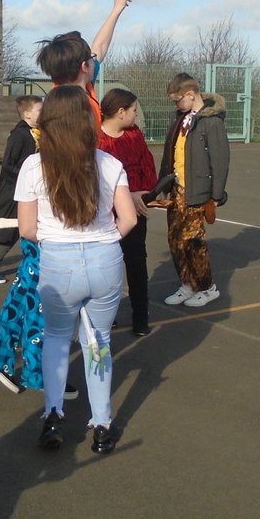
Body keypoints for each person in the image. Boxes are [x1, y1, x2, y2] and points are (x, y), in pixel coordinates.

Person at [15, 85, 137, 453]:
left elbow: (26, 229)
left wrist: (56, 238)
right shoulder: (109, 163)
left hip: (58, 262)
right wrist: (103, 240)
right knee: (98, 340)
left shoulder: (34, 165)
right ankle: (102, 424)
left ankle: (53, 415)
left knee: (55, 338)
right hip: (106, 261)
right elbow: (128, 219)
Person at [159, 74, 230, 308]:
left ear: (190, 95)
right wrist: (162, 186)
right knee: (175, 239)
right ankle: (187, 283)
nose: (175, 105)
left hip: (198, 191)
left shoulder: (212, 122)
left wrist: (216, 195)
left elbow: (220, 161)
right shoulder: (181, 119)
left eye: (177, 100)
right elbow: (169, 154)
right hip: (177, 189)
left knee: (193, 241)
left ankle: (207, 287)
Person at [99, 87, 158, 336]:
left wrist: (147, 193)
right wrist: (125, 197)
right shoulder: (96, 140)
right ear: (120, 112)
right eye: (134, 110)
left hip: (135, 213)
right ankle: (105, 314)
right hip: (105, 215)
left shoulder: (135, 135)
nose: (136, 114)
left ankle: (140, 316)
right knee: (106, 268)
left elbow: (147, 164)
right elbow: (96, 181)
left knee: (136, 263)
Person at [41, 0, 131, 128]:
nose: (95, 57)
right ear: (84, 66)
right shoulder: (64, 108)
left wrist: (117, 8)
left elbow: (100, 45)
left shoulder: (80, 84)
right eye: (91, 57)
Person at [0, 95, 43, 285]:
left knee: (31, 226)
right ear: (27, 114)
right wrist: (26, 179)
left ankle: (36, 265)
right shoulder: (19, 135)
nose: (43, 113)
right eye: (39, 110)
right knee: (10, 228)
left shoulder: (37, 132)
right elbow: (8, 164)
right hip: (15, 191)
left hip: (32, 190)